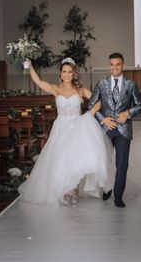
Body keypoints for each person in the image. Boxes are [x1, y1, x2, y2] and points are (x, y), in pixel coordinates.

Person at [18, 58, 115, 206]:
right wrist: (30, 66)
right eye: (64, 72)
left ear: (74, 74)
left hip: (77, 127)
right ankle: (63, 190)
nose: (67, 75)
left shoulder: (80, 90)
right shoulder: (55, 89)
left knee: (74, 159)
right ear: (61, 74)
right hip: (61, 128)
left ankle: (74, 190)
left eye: (70, 72)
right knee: (61, 160)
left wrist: (90, 114)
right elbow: (38, 81)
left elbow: (99, 100)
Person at [87, 53, 141, 208]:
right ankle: (107, 188)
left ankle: (118, 196)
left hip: (123, 130)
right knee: (105, 163)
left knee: (122, 164)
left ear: (122, 65)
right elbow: (91, 105)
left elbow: (140, 106)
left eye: (117, 64)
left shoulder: (131, 84)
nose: (114, 67)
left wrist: (128, 113)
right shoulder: (101, 84)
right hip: (106, 129)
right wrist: (102, 119)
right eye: (112, 64)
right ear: (109, 65)